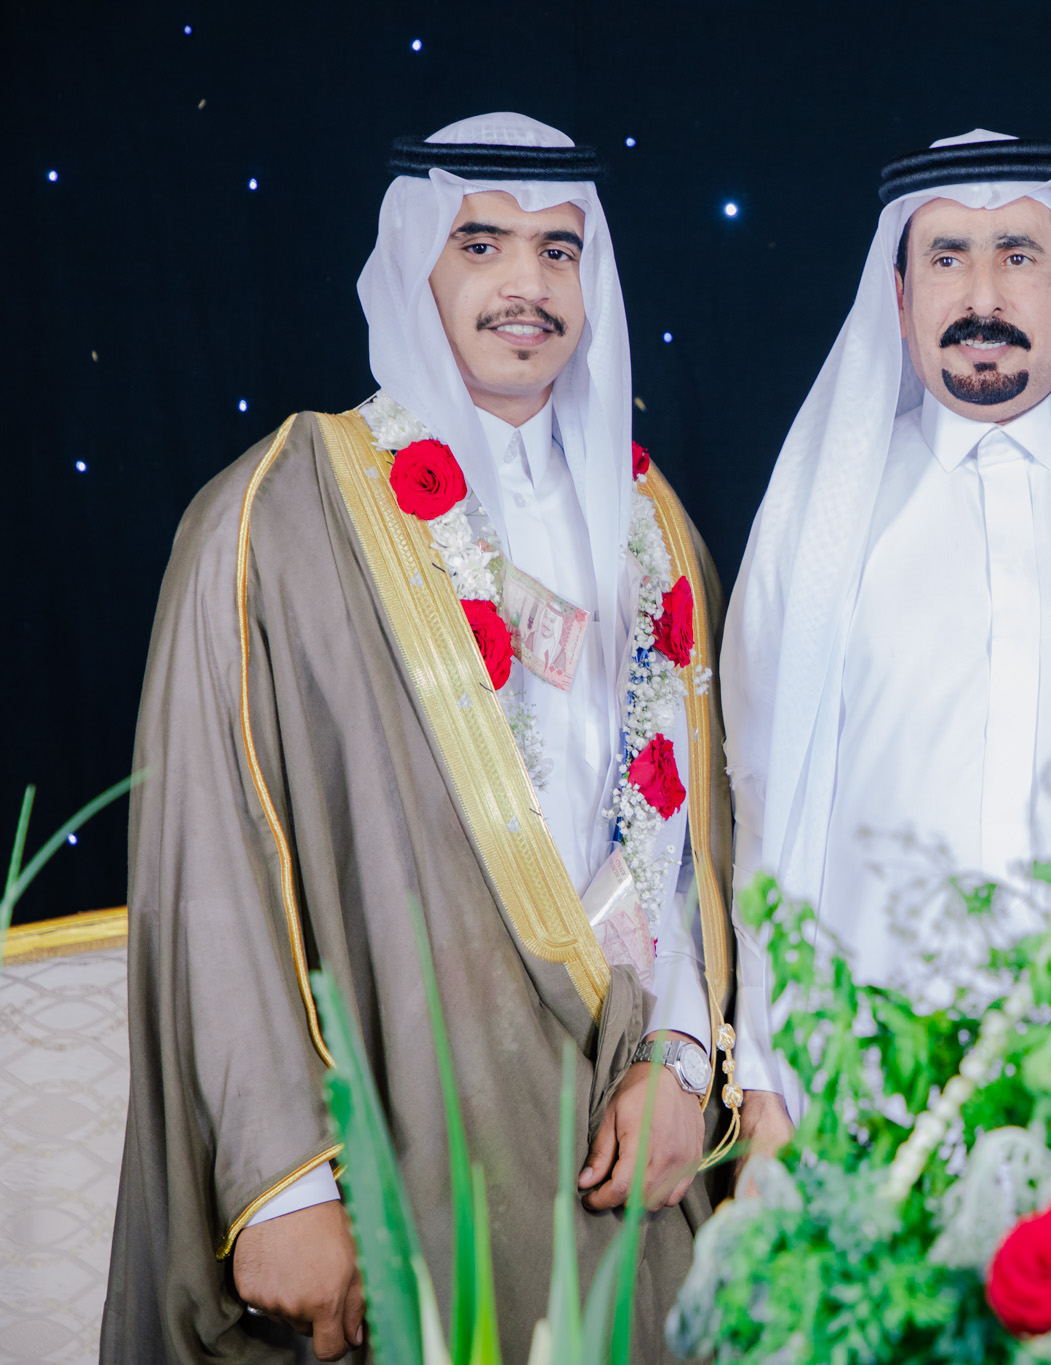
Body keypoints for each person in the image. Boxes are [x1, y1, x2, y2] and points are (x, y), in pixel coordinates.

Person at [102, 113, 784, 1362]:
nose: (527, 283)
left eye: (559, 249)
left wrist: (687, 1064)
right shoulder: (279, 512)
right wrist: (284, 1184)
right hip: (400, 1142)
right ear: (414, 264)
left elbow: (700, 846)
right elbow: (214, 869)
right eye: (482, 243)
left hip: (625, 1140)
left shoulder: (653, 524)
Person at [722, 131, 1051, 1095]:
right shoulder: (822, 508)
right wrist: (763, 1076)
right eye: (947, 259)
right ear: (899, 301)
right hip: (863, 1086)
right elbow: (763, 799)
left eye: (1017, 256)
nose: (983, 297)